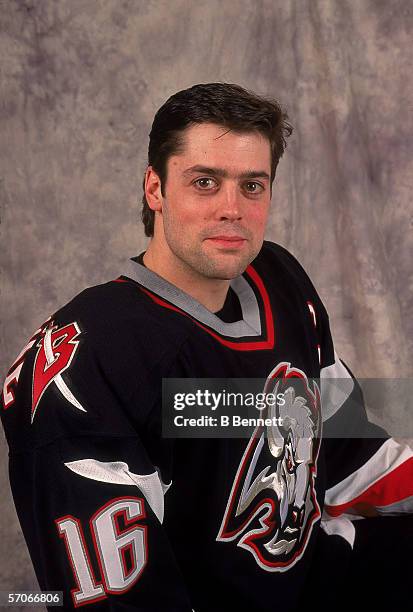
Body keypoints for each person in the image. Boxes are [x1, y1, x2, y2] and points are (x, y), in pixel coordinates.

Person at [1, 82, 412, 611]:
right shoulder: (90, 359)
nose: (232, 210)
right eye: (204, 182)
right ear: (155, 189)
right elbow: (119, 599)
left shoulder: (278, 277)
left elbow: (350, 453)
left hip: (315, 576)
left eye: (252, 186)